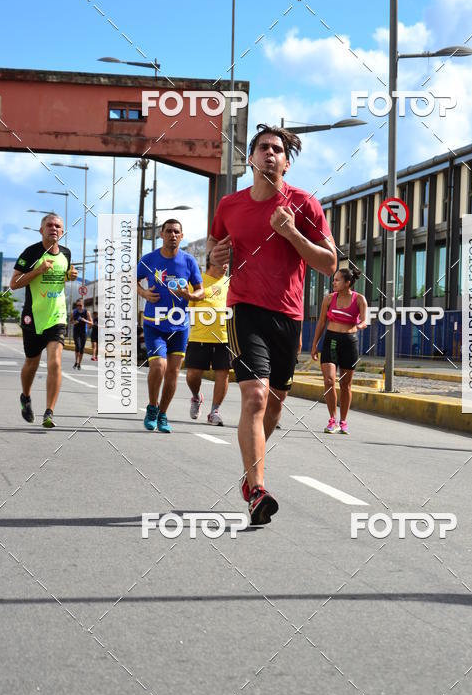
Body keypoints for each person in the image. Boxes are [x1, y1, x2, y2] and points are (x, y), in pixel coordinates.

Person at [208, 124, 336, 525]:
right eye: (262, 147)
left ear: (286, 160)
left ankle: (250, 476)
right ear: (250, 157)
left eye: (277, 149)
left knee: (274, 407)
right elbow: (214, 248)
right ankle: (259, 491)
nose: (269, 153)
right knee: (255, 398)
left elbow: (329, 263)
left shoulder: (305, 205)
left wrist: (292, 232)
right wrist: (216, 257)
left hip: (289, 317)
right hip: (244, 310)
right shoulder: (229, 205)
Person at [9, 213, 78, 428]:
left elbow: (63, 276)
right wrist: (38, 270)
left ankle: (49, 411)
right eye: (49, 225)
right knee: (32, 362)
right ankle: (26, 397)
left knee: (55, 361)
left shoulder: (66, 253)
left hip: (57, 316)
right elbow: (14, 283)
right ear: (41, 230)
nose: (54, 229)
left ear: (62, 231)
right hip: (33, 317)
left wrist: (70, 276)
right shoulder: (31, 253)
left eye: (58, 226)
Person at [137, 219, 204, 433]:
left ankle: (163, 414)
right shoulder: (149, 259)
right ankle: (152, 407)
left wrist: (190, 295)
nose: (172, 235)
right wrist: (144, 293)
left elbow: (201, 291)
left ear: (181, 236)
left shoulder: (189, 261)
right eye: (168, 231)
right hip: (154, 323)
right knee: (158, 366)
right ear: (161, 234)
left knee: (173, 372)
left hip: (179, 324)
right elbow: (132, 280)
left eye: (176, 232)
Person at [311, 267, 368, 434]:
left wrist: (359, 325)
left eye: (337, 280)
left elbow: (365, 321)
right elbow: (321, 323)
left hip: (349, 342)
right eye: (334, 279)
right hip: (331, 341)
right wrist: (315, 344)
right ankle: (332, 419)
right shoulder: (329, 299)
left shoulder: (359, 300)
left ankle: (343, 421)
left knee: (345, 384)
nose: (333, 282)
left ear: (347, 283)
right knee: (329, 381)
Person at [185, 252, 231, 425]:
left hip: (224, 338)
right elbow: (187, 309)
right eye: (222, 261)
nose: (226, 264)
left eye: (227, 261)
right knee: (192, 375)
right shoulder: (197, 282)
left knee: (223, 374)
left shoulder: (230, 282)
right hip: (200, 336)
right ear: (210, 262)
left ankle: (214, 411)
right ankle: (196, 397)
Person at [71, 299, 92, 369]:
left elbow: (91, 322)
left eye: (80, 305)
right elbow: (71, 321)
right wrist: (75, 322)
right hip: (76, 331)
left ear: (83, 305)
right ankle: (76, 362)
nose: (79, 307)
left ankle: (79, 364)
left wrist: (84, 320)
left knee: (82, 348)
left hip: (83, 332)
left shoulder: (87, 312)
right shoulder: (74, 312)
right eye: (77, 305)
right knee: (77, 346)